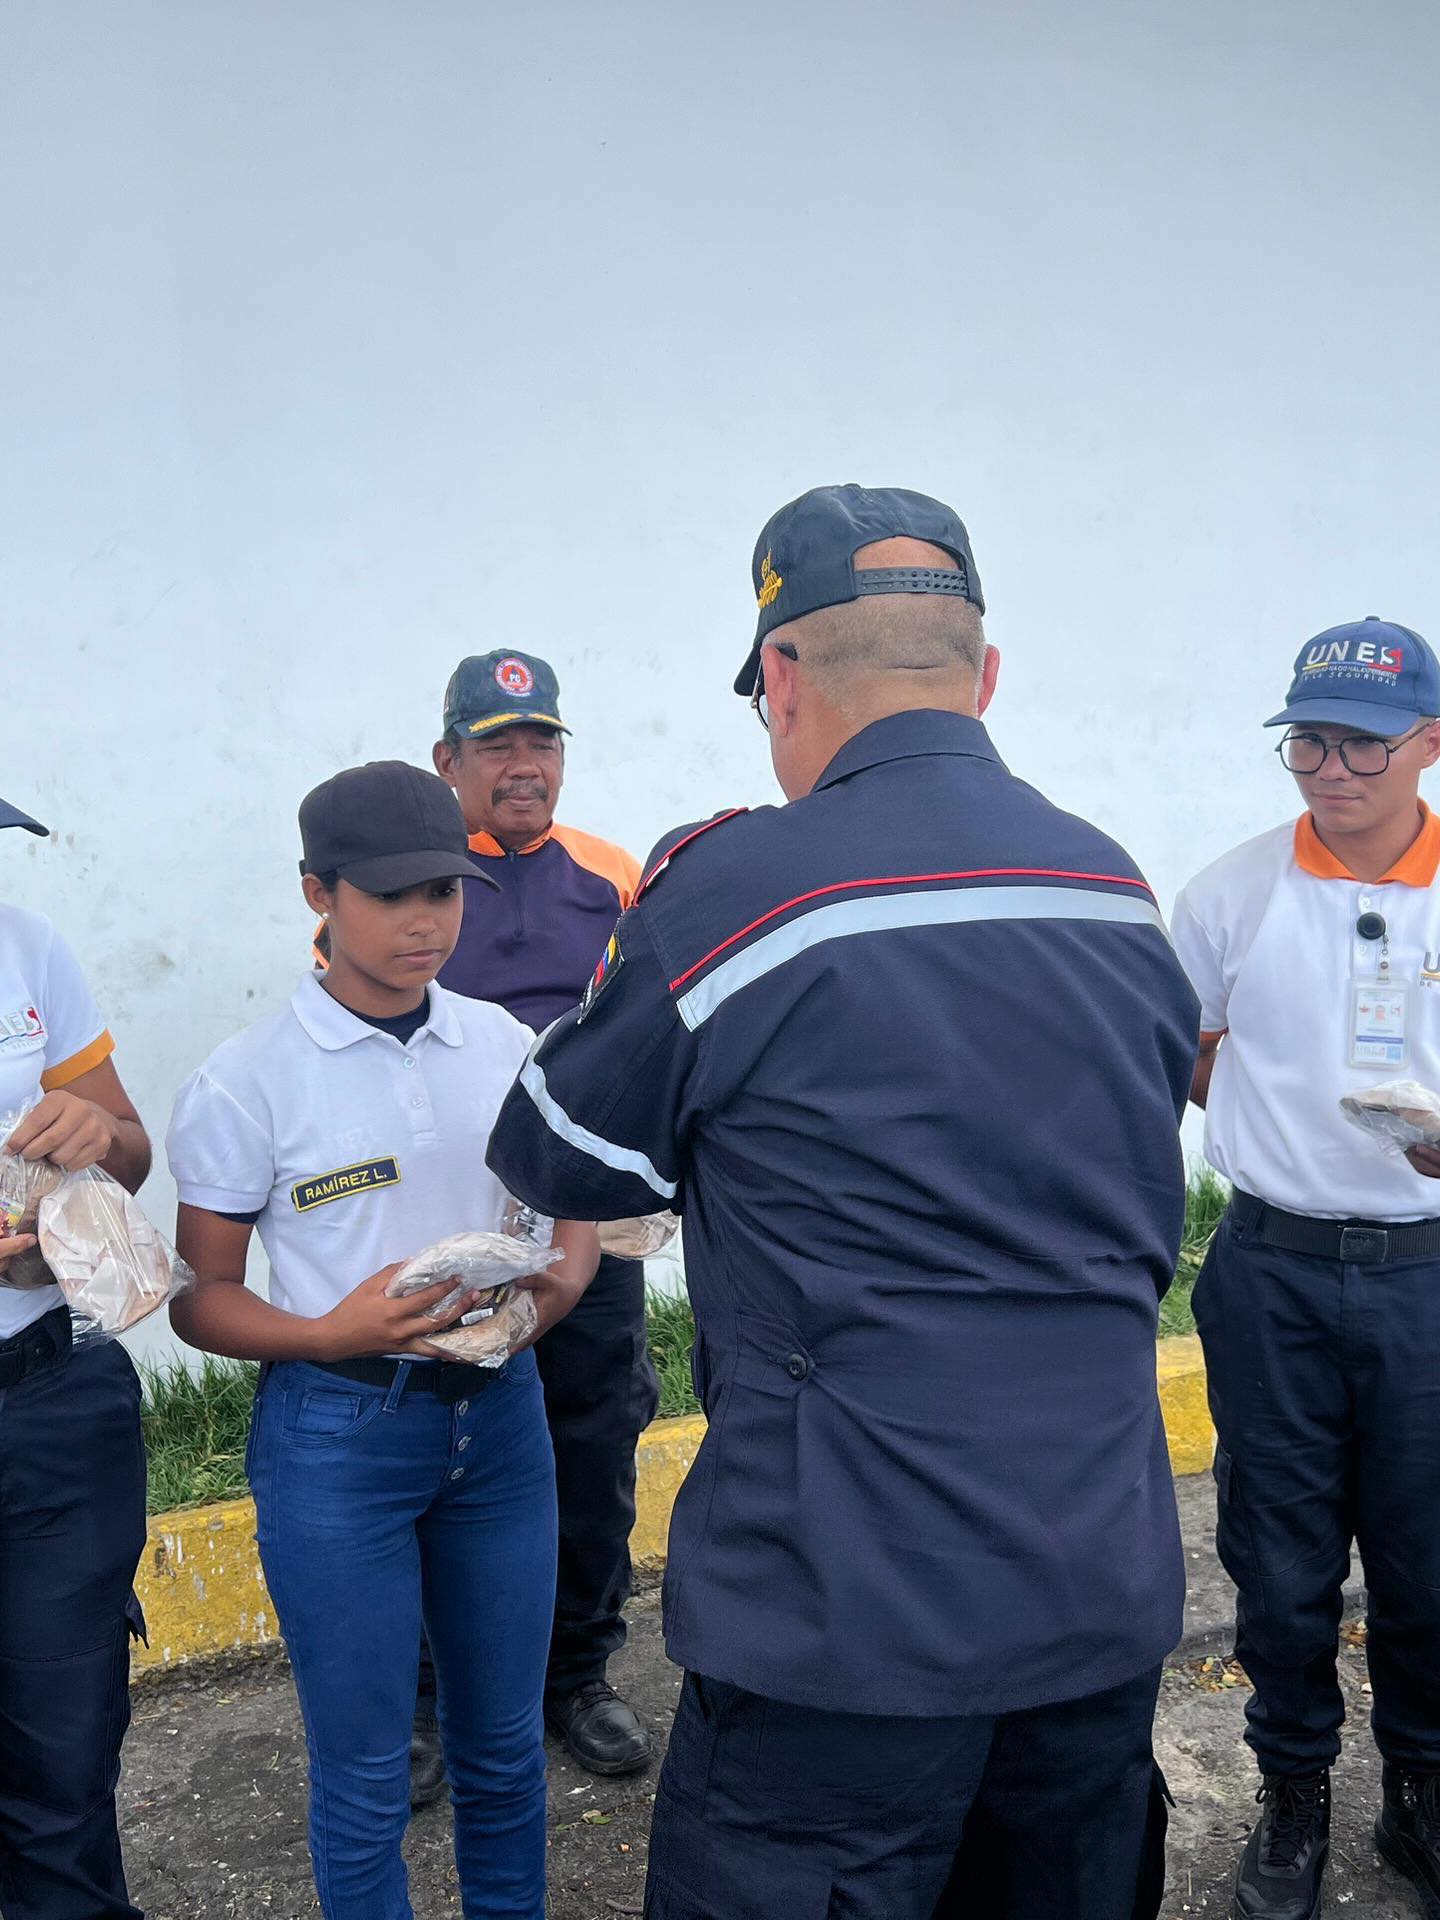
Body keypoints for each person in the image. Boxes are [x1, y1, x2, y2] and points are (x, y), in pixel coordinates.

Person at [485, 484, 1201, 1920]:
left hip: (847, 1613)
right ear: (983, 674)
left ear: (787, 678)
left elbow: (557, 1153)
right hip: (1098, 1583)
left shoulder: (737, 894)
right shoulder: (1112, 885)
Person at [166, 761, 599, 1920]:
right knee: (365, 1778)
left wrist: (552, 1293)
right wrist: (321, 1330)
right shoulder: (250, 1082)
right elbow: (198, 1297)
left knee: (505, 1753)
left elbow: (570, 1217)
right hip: (339, 1438)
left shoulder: (502, 1042)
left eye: (446, 894)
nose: (427, 923)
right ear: (319, 893)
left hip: (500, 1428)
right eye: (394, 895)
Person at [1171, 618, 1440, 1920]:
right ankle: (1290, 1797)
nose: (1331, 770)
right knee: (1278, 1563)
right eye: (1308, 741)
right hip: (1273, 1270)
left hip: (1430, 1274)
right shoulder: (1230, 894)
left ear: (1430, 743)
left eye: (1363, 745)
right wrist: (1274, 1109)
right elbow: (1187, 1049)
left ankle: (1422, 1795)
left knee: (1429, 1558)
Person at [421, 649, 658, 1786]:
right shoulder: (407, 878)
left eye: (542, 742)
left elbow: (646, 1029)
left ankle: (577, 1674)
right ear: (448, 760)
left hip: (579, 1221)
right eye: (497, 744)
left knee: (590, 1445)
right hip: (445, 1225)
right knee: (435, 1449)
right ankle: (424, 1696)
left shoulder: (612, 875)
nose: (524, 767)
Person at [0, 792, 153, 1920]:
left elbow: (129, 1149)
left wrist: (94, 1148)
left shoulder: (28, 950)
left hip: (45, 1402)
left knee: (64, 1768)